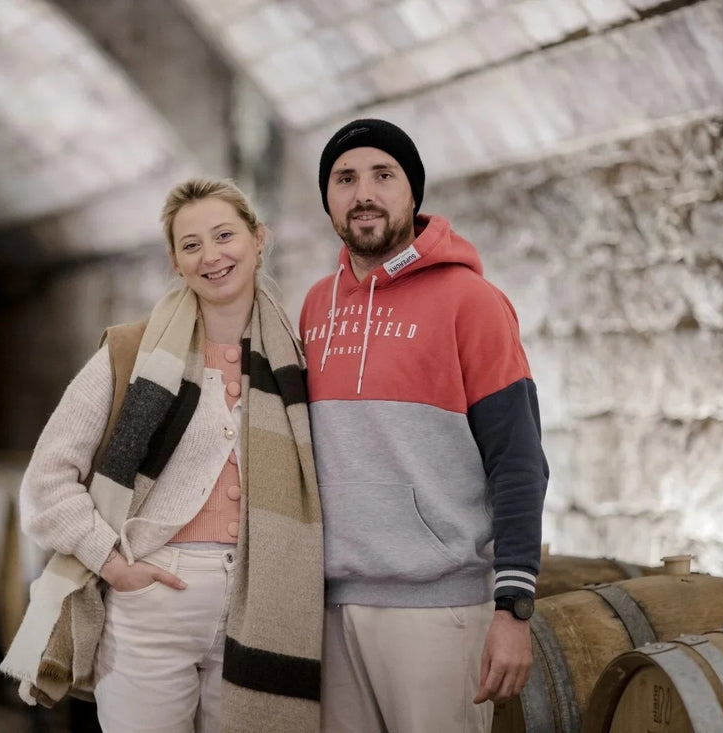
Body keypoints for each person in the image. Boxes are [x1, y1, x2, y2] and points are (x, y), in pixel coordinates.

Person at [0, 178, 323, 733]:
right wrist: (112, 562)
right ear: (175, 261)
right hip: (153, 600)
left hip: (263, 601)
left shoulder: (300, 357)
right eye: (191, 244)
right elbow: (45, 484)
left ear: (259, 239)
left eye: (225, 235)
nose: (211, 255)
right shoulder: (130, 352)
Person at [299, 118, 549, 732]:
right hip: (328, 610)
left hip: (439, 610)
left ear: (413, 193)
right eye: (344, 178)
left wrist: (514, 608)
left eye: (383, 176)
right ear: (328, 198)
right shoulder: (313, 306)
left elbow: (518, 460)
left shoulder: (472, 302)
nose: (364, 193)